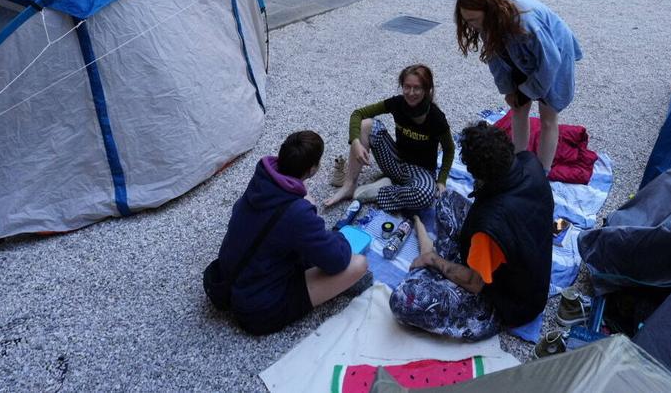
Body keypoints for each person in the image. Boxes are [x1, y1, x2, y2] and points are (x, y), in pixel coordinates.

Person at [389, 122, 554, 340]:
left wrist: (433, 260)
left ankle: (436, 268)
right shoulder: (529, 162)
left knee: (402, 299)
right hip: (519, 255)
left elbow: (475, 284)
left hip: (510, 303)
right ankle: (444, 263)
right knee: (446, 199)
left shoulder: (489, 227)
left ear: (478, 173)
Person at [208, 131, 368, 335]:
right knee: (358, 265)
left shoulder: (262, 178)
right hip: (259, 309)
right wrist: (338, 236)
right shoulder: (297, 214)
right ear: (313, 169)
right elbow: (336, 260)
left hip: (231, 278)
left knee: (305, 201)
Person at [455, 0, 582, 172]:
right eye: (467, 20)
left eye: (473, 20)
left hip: (555, 53)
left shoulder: (526, 23)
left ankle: (541, 173)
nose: (471, 25)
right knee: (517, 108)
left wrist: (527, 92)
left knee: (548, 116)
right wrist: (509, 90)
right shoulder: (486, 19)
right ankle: (516, 163)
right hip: (519, 54)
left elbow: (549, 62)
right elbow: (494, 57)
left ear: (488, 12)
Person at [324, 65, 453, 211]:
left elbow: (449, 150)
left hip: (421, 172)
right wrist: (355, 142)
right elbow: (358, 114)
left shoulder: (436, 118)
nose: (411, 93)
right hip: (395, 161)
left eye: (417, 88)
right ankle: (349, 185)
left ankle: (379, 190)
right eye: (407, 87)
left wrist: (441, 181)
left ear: (426, 89)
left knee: (424, 196)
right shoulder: (397, 103)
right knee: (366, 125)